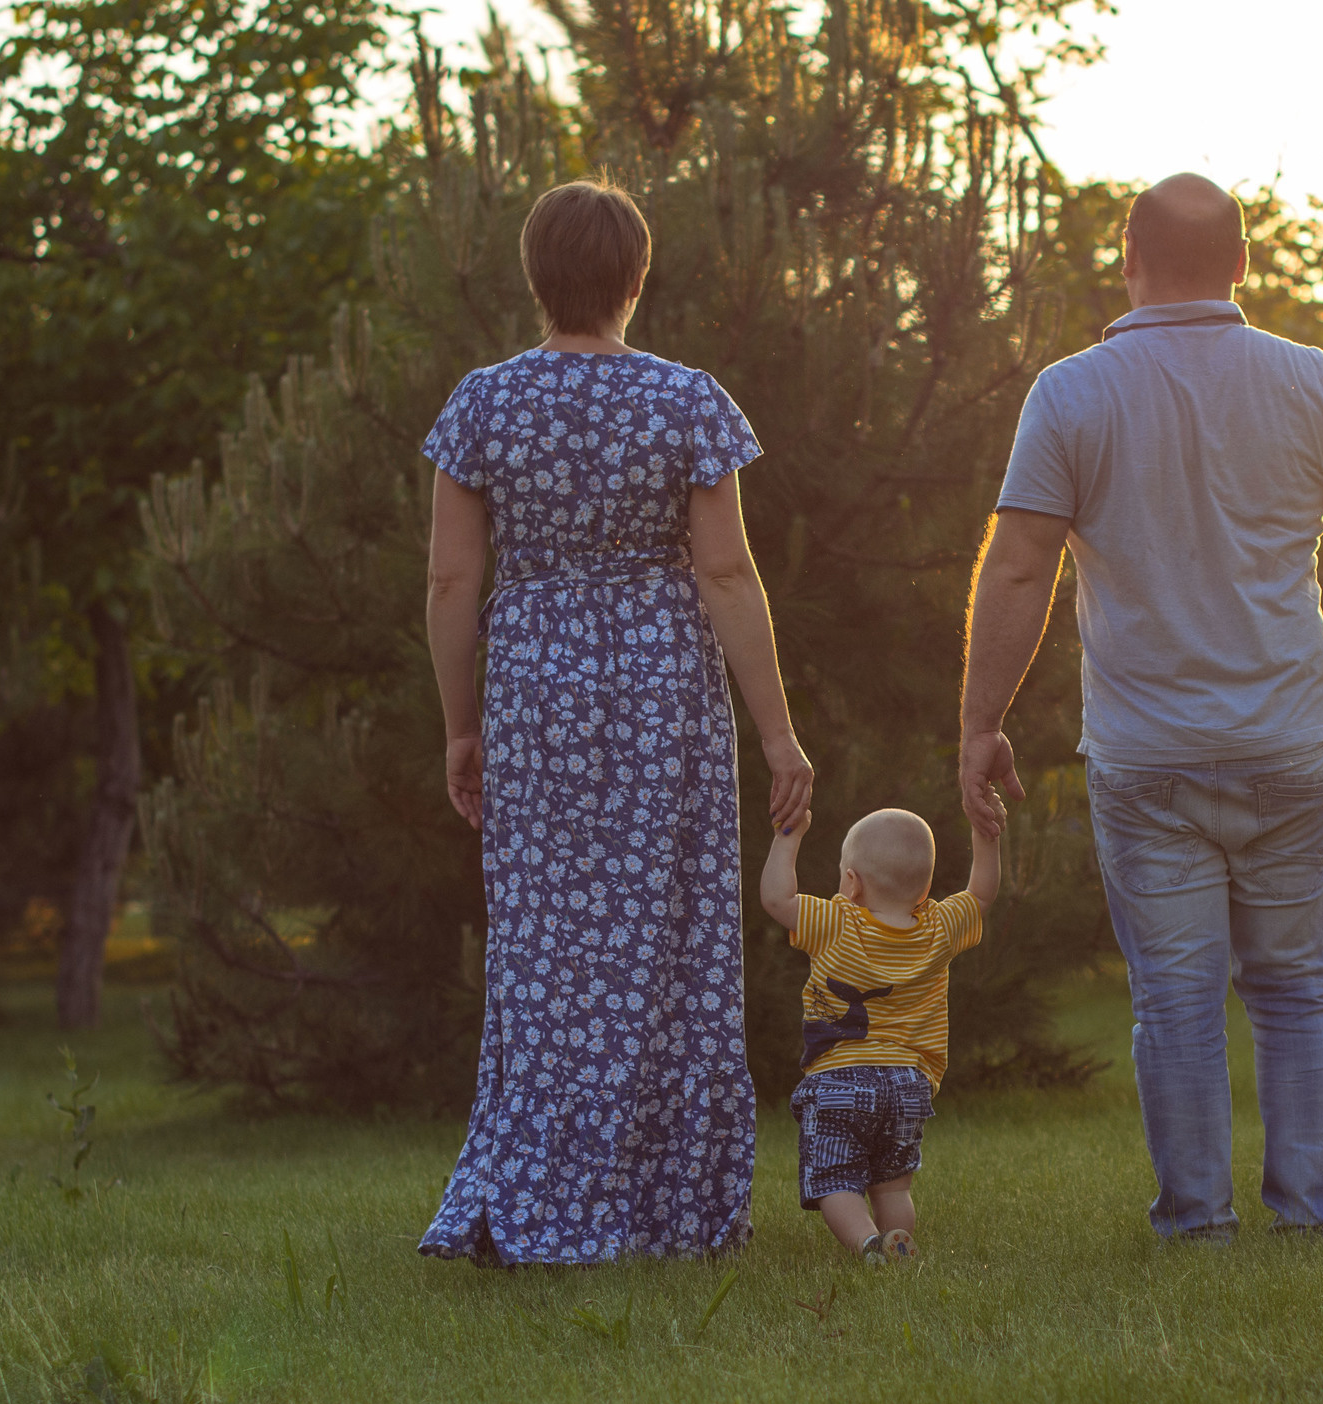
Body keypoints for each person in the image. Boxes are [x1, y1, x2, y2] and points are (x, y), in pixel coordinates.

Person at [958, 172, 1323, 1242]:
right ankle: (1308, 1218)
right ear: (1243, 264)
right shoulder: (1320, 385)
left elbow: (1017, 572)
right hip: (1288, 746)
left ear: (1128, 259)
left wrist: (979, 722)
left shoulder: (1069, 392)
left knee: (1176, 1003)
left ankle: (1196, 1224)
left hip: (1145, 756)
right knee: (1296, 993)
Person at [416, 179, 814, 1267]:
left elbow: (453, 587)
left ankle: (535, 1193)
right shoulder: (686, 401)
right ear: (636, 278)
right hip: (660, 688)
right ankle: (668, 1207)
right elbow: (727, 575)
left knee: (544, 946)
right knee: (669, 937)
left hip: (534, 687)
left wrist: (461, 730)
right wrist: (778, 734)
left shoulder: (484, 404)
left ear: (533, 277)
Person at [760, 805, 1001, 1260]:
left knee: (834, 1178)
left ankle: (867, 1245)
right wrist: (985, 833)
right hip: (909, 1085)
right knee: (892, 1186)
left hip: (839, 1082)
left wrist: (789, 834)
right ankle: (898, 1246)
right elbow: (982, 893)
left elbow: (776, 899)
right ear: (926, 887)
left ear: (851, 882)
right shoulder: (939, 927)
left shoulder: (835, 921)